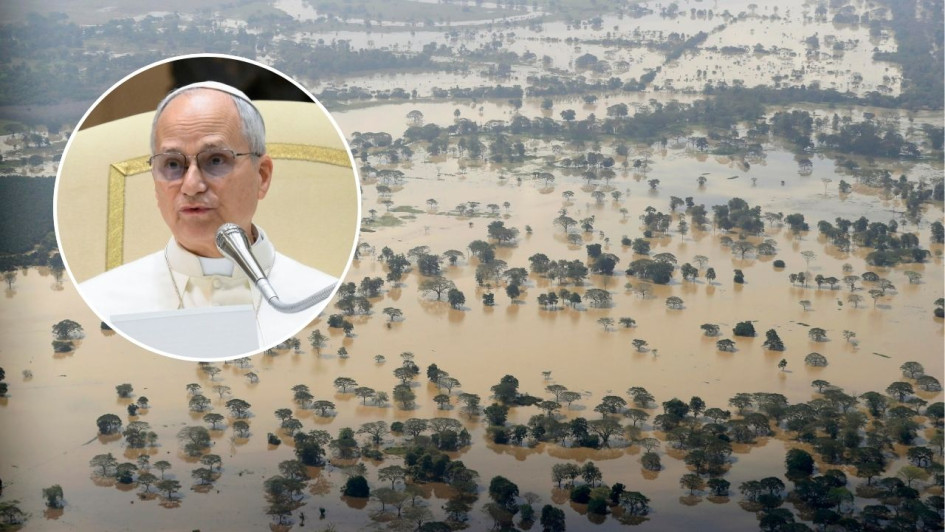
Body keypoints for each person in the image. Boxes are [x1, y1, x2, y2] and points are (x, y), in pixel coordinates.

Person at [79, 81, 337, 356]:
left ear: (261, 176)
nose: (191, 186)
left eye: (215, 160)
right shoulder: (96, 307)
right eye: (173, 165)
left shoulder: (325, 300)